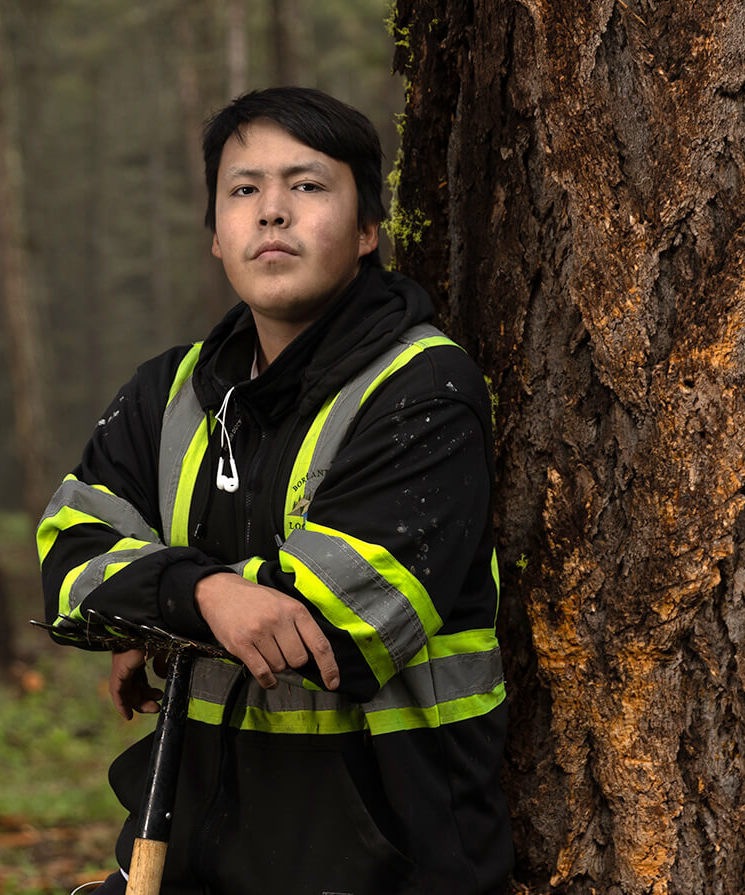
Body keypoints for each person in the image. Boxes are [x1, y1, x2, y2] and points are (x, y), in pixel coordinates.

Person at [38, 86, 512, 894]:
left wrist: (155, 607)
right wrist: (201, 593)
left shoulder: (424, 390)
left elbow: (331, 623)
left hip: (391, 861)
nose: (272, 212)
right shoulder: (169, 390)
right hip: (188, 853)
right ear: (215, 237)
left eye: (308, 185)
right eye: (243, 189)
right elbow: (68, 560)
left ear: (367, 229)